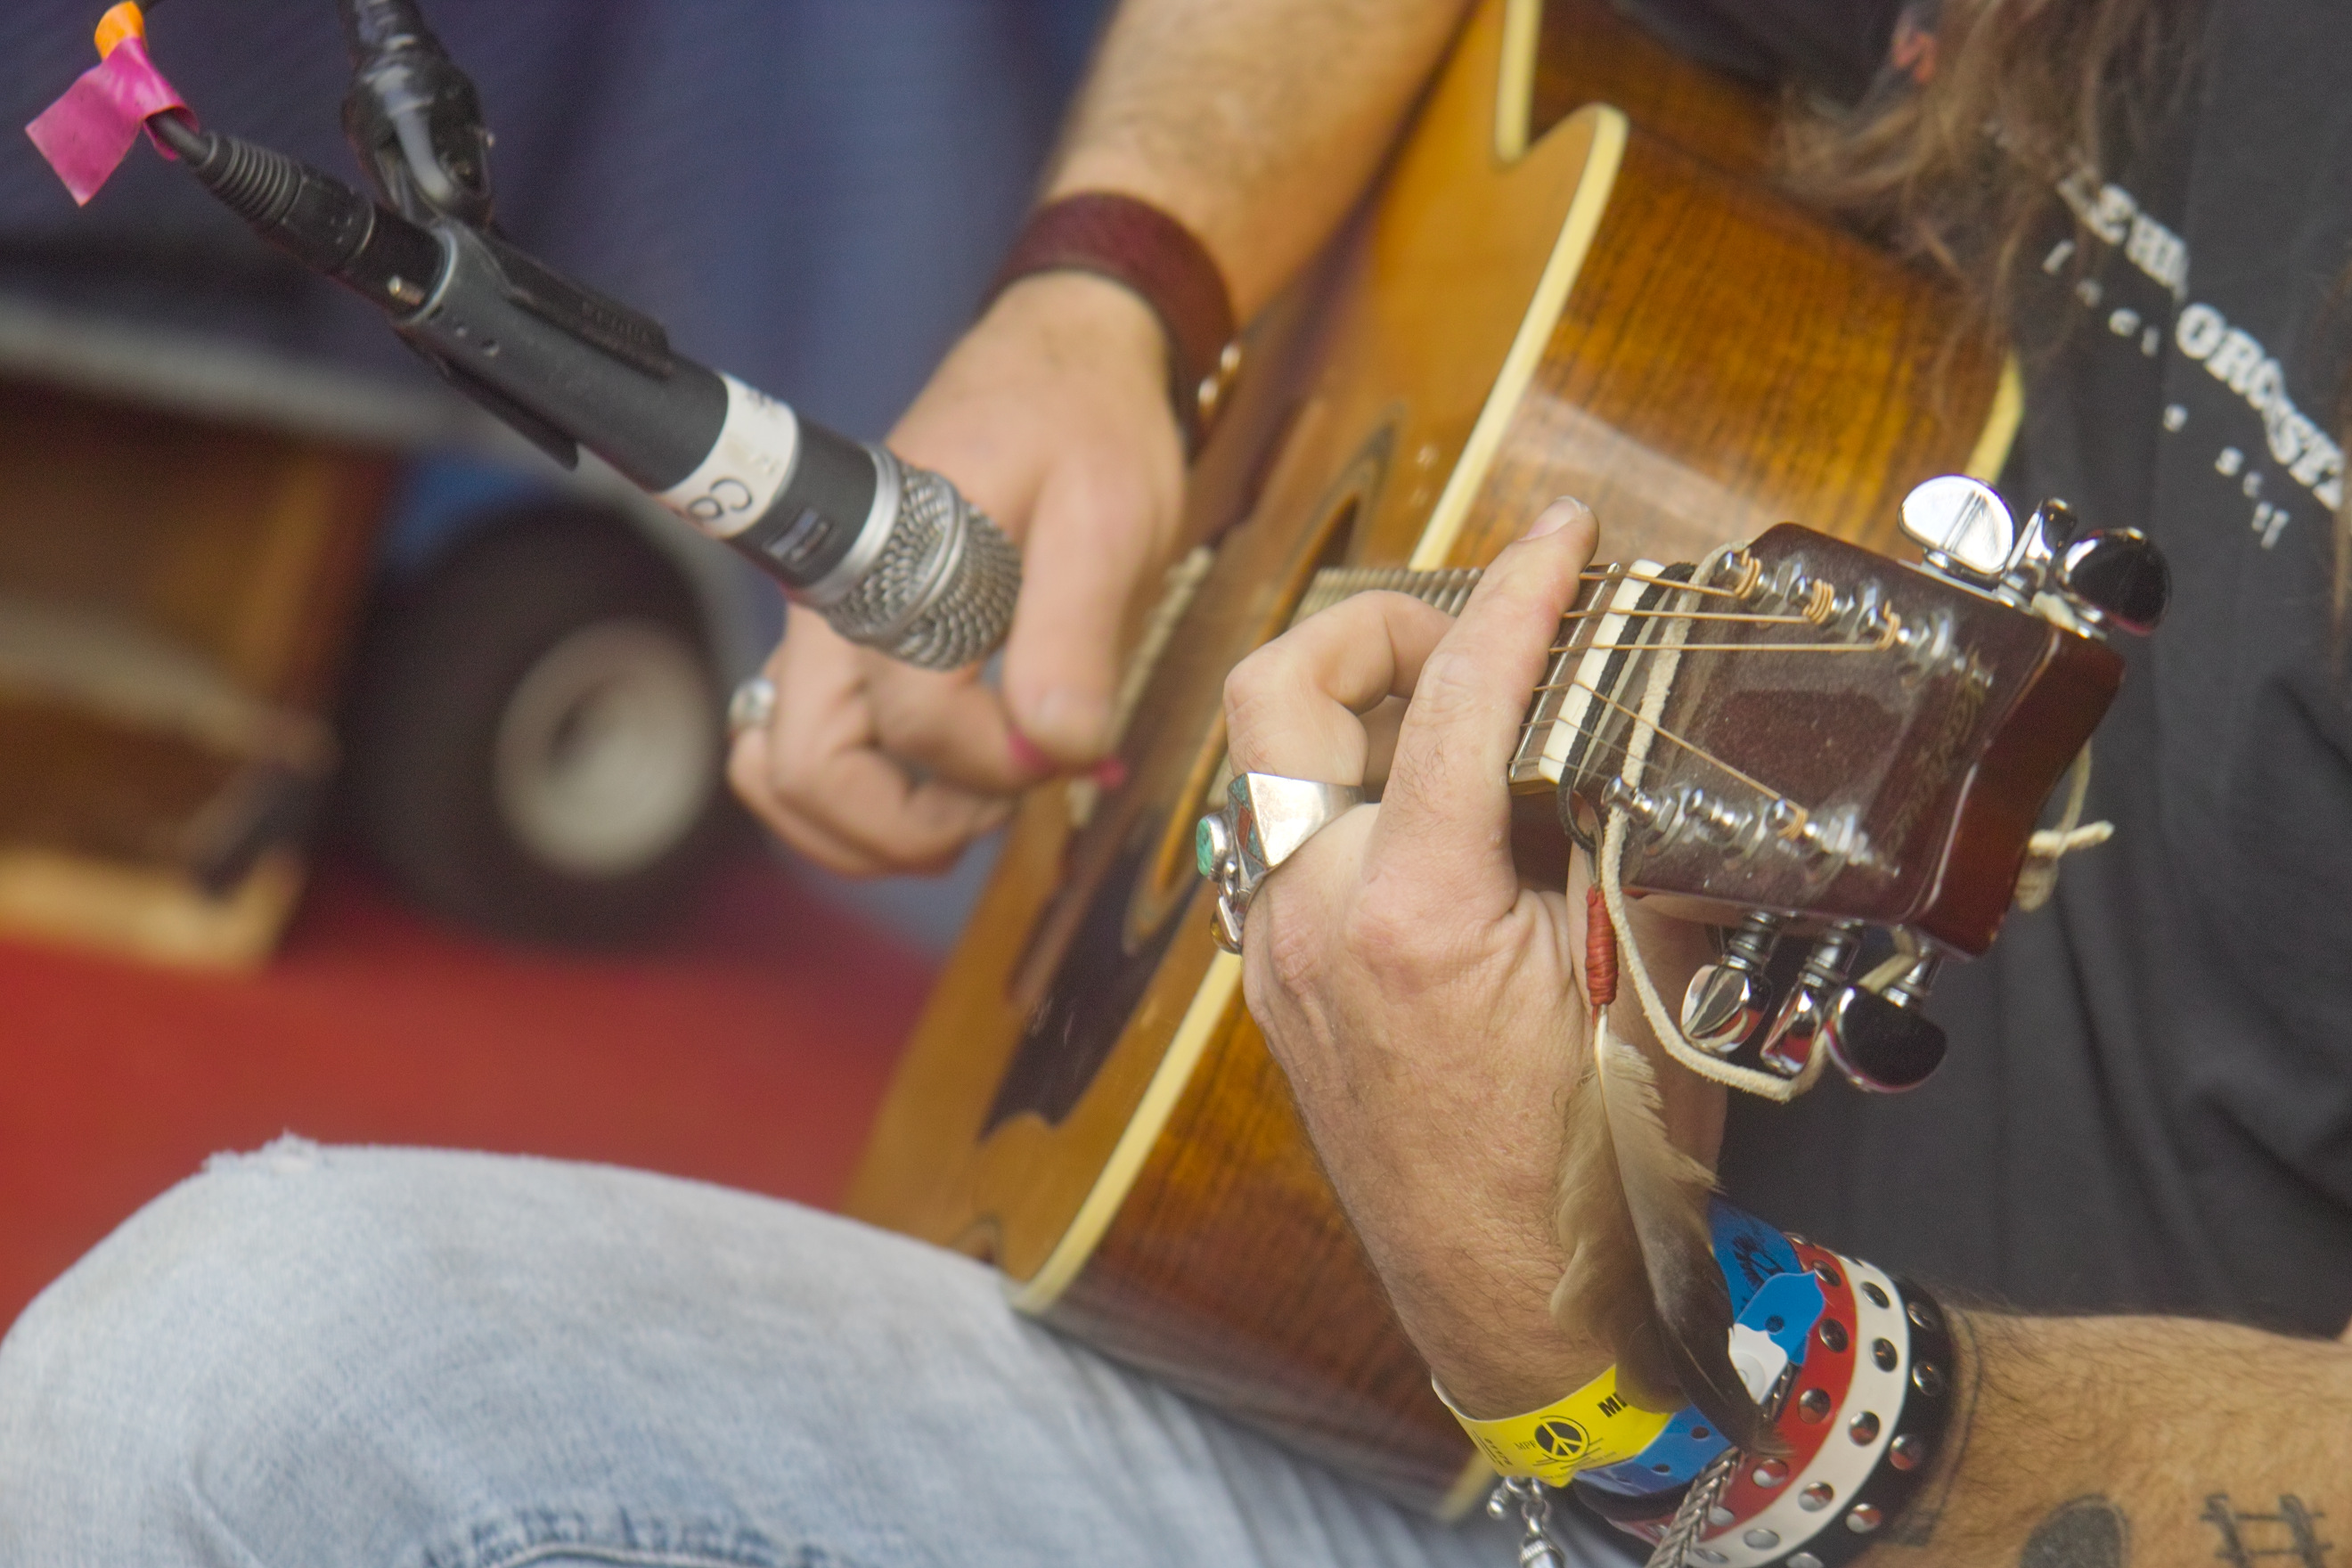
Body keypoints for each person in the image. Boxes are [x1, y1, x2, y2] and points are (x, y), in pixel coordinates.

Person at [4, 1, 2350, 1564]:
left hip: (1874, 1470)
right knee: (230, 1385)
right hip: (1397, 1387)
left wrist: (1696, 1398)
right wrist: (1117, 293)